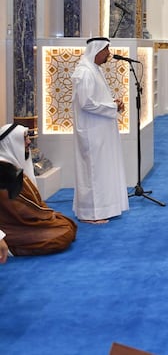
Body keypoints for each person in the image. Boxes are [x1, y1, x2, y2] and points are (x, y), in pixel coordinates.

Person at [71, 37, 129, 224]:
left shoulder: (94, 70)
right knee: (93, 171)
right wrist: (112, 107)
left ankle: (104, 208)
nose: (108, 54)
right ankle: (90, 214)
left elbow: (97, 99)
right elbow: (86, 103)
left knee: (102, 170)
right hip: (91, 131)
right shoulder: (84, 72)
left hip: (101, 129)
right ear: (96, 51)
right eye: (106, 50)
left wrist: (114, 104)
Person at [0, 124, 77, 255]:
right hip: (14, 227)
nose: (29, 142)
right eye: (24, 138)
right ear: (12, 143)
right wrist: (44, 215)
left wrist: (44, 215)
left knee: (67, 224)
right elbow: (19, 209)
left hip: (26, 221)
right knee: (62, 235)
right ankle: (11, 247)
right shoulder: (4, 171)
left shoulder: (11, 166)